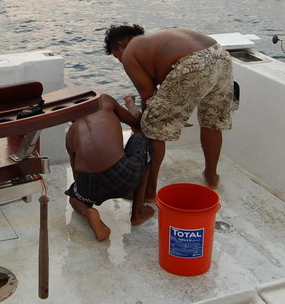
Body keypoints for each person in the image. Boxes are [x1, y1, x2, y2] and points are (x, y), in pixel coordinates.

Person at [104, 24, 233, 194]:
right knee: (212, 121)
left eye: (116, 56)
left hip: (194, 63)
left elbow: (148, 96)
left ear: (121, 45)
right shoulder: (152, 42)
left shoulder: (129, 52)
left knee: (152, 125)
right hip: (220, 56)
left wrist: (145, 123)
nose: (120, 60)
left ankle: (148, 192)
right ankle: (211, 177)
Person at [65, 93, 155, 242]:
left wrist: (83, 193)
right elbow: (137, 124)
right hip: (122, 177)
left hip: (89, 187)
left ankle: (88, 212)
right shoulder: (104, 101)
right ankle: (138, 213)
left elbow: (77, 176)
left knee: (74, 197)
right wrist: (131, 105)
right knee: (141, 139)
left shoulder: (70, 136)